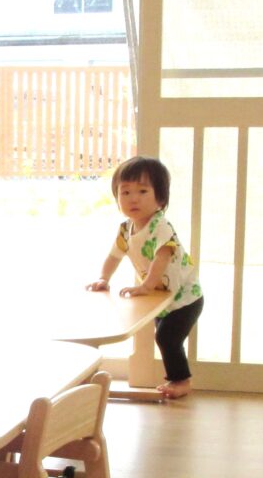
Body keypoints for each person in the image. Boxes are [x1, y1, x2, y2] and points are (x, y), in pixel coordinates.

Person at [87, 156, 203, 401]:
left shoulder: (160, 226)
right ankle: (176, 377)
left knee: (167, 338)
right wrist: (103, 278)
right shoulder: (125, 229)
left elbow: (162, 256)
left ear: (160, 198)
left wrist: (147, 285)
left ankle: (181, 380)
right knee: (166, 337)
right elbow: (114, 256)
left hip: (186, 297)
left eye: (142, 191)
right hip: (162, 298)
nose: (133, 199)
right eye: (125, 192)